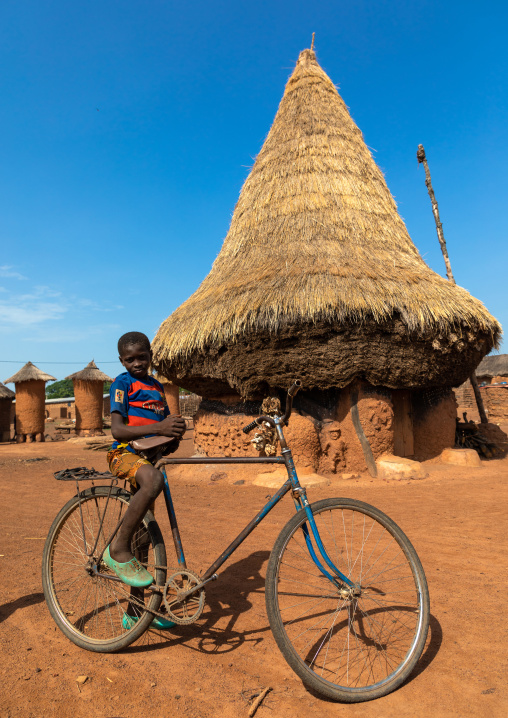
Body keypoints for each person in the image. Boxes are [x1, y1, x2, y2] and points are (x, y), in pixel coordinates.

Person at [104, 331, 186, 628]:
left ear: (151, 355)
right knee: (153, 482)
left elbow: (161, 429)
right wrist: (160, 426)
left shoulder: (157, 388)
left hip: (149, 459)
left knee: (144, 538)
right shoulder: (122, 384)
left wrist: (173, 433)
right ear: (121, 360)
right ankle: (117, 548)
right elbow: (117, 430)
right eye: (130, 359)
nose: (137, 363)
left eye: (142, 357)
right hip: (125, 454)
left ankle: (136, 611)